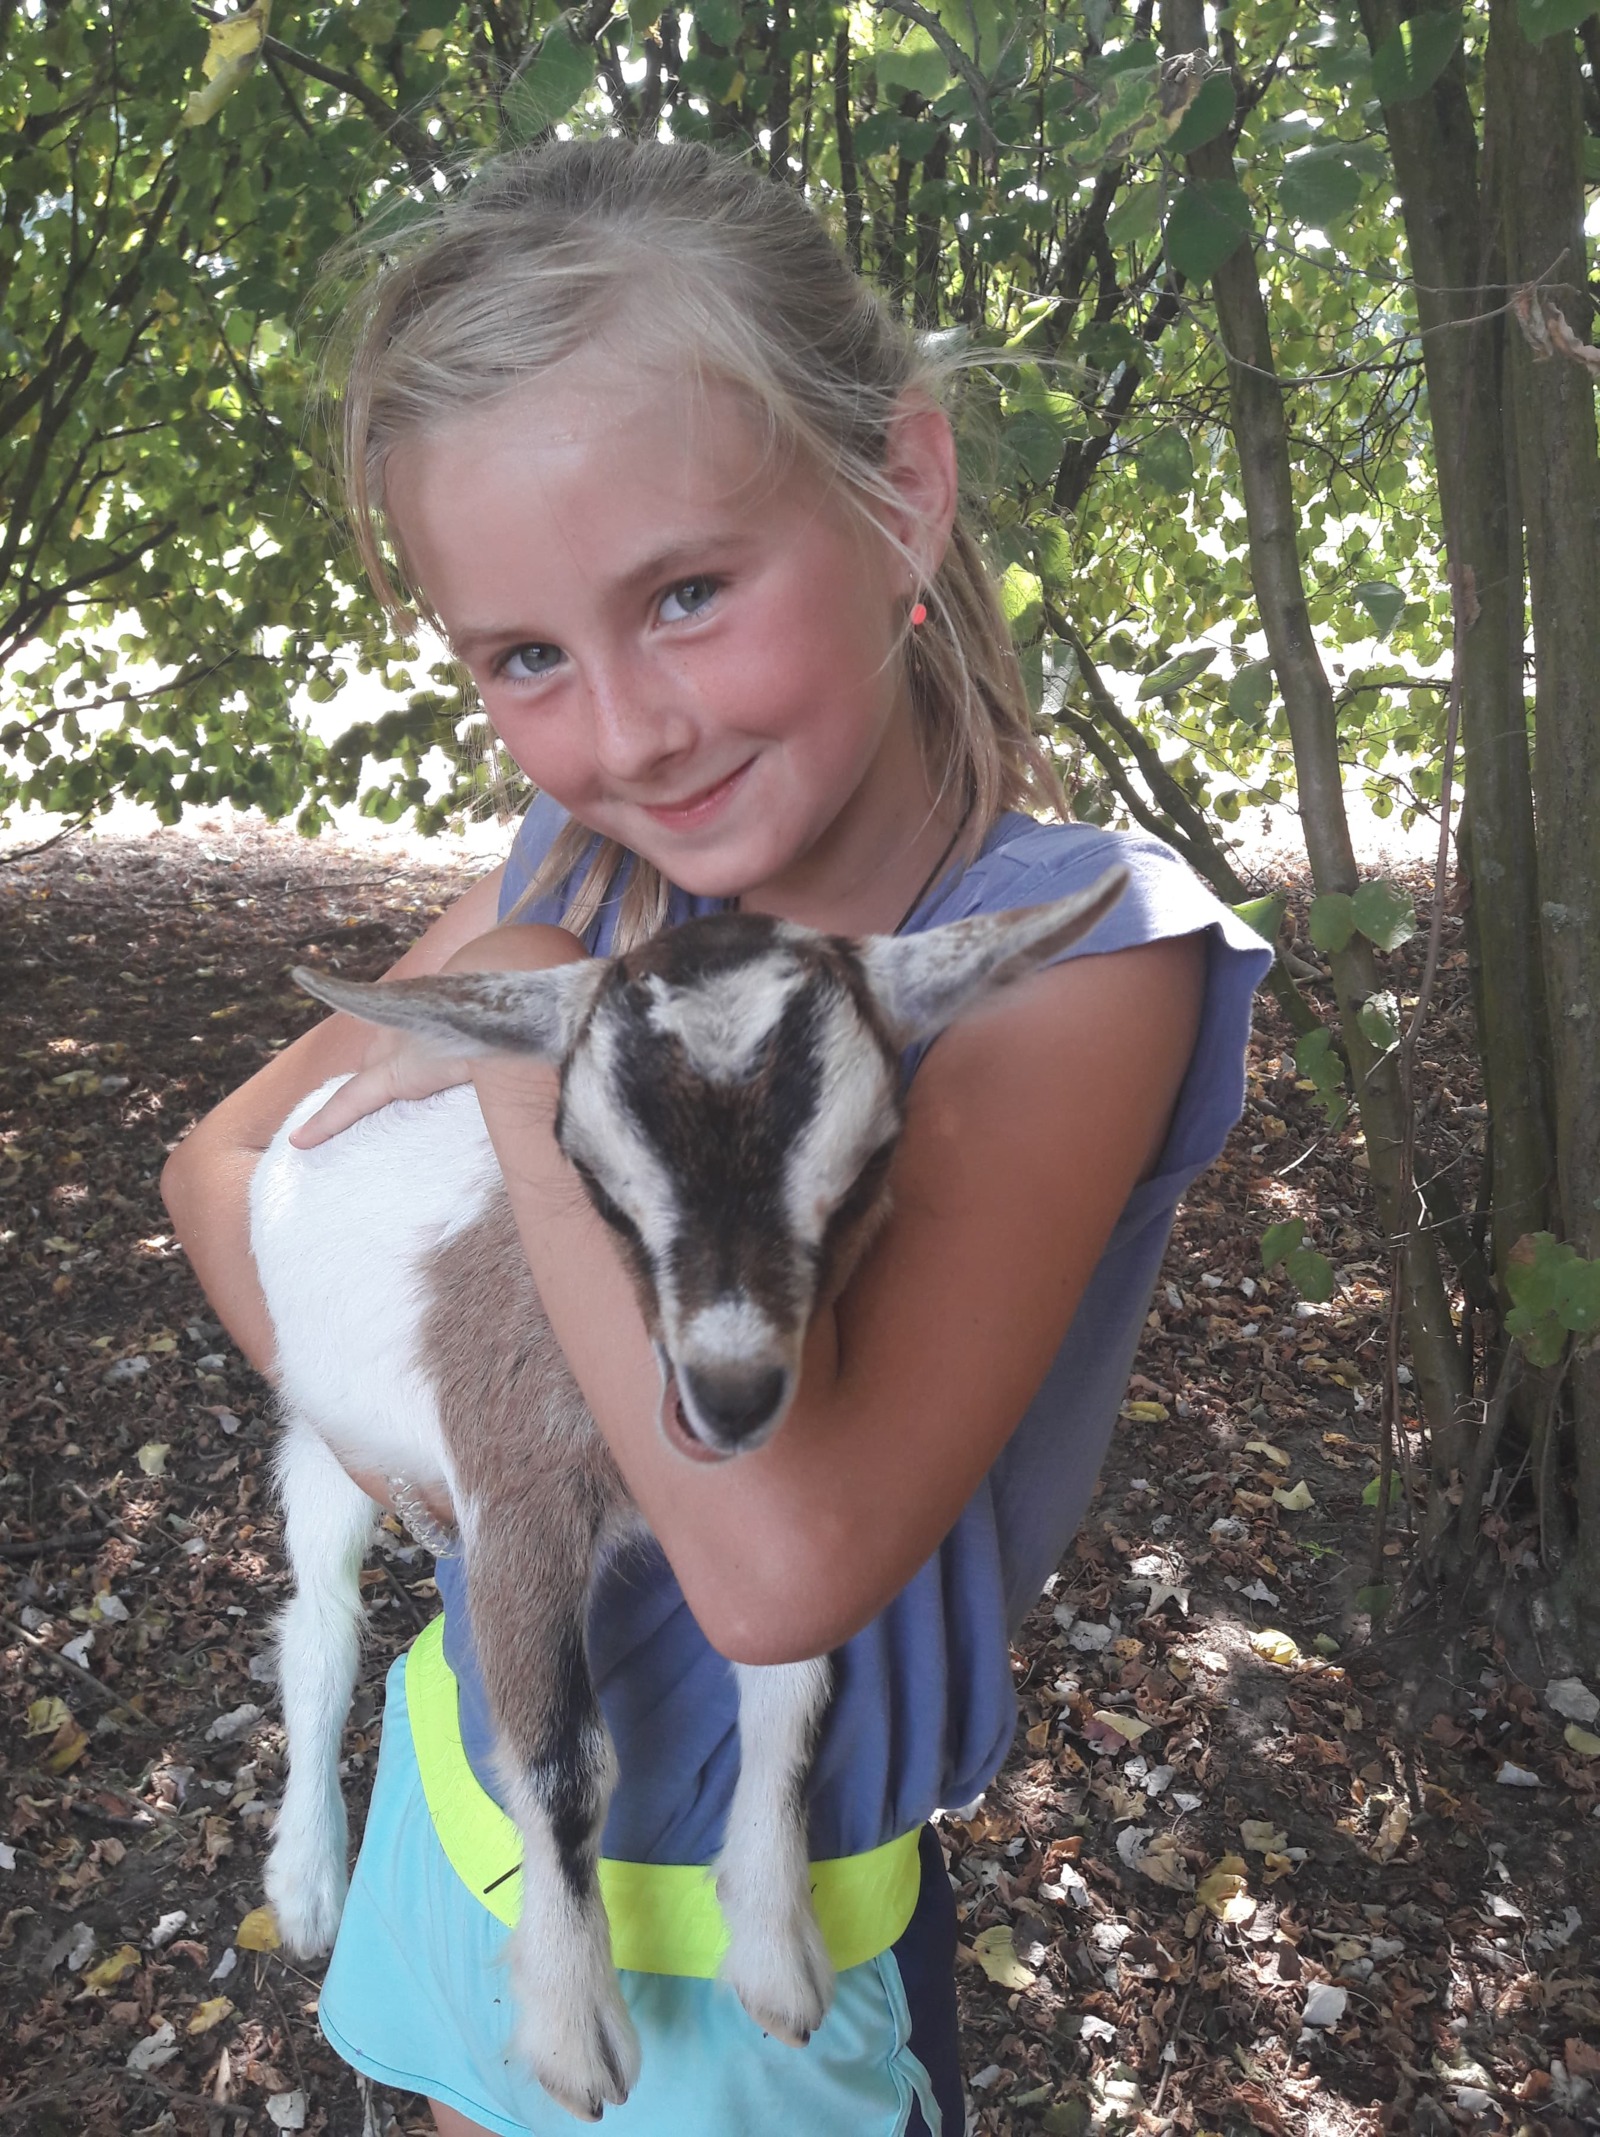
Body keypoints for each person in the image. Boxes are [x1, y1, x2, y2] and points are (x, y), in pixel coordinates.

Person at [162, 138, 1271, 2137]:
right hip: (478, 1803)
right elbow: (218, 1170)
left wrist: (533, 1041)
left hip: (768, 1960)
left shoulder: (1075, 954)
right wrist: (449, 1461)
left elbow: (774, 1571)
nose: (624, 734)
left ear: (900, 488)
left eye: (685, 594)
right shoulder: (576, 870)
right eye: (524, 658)